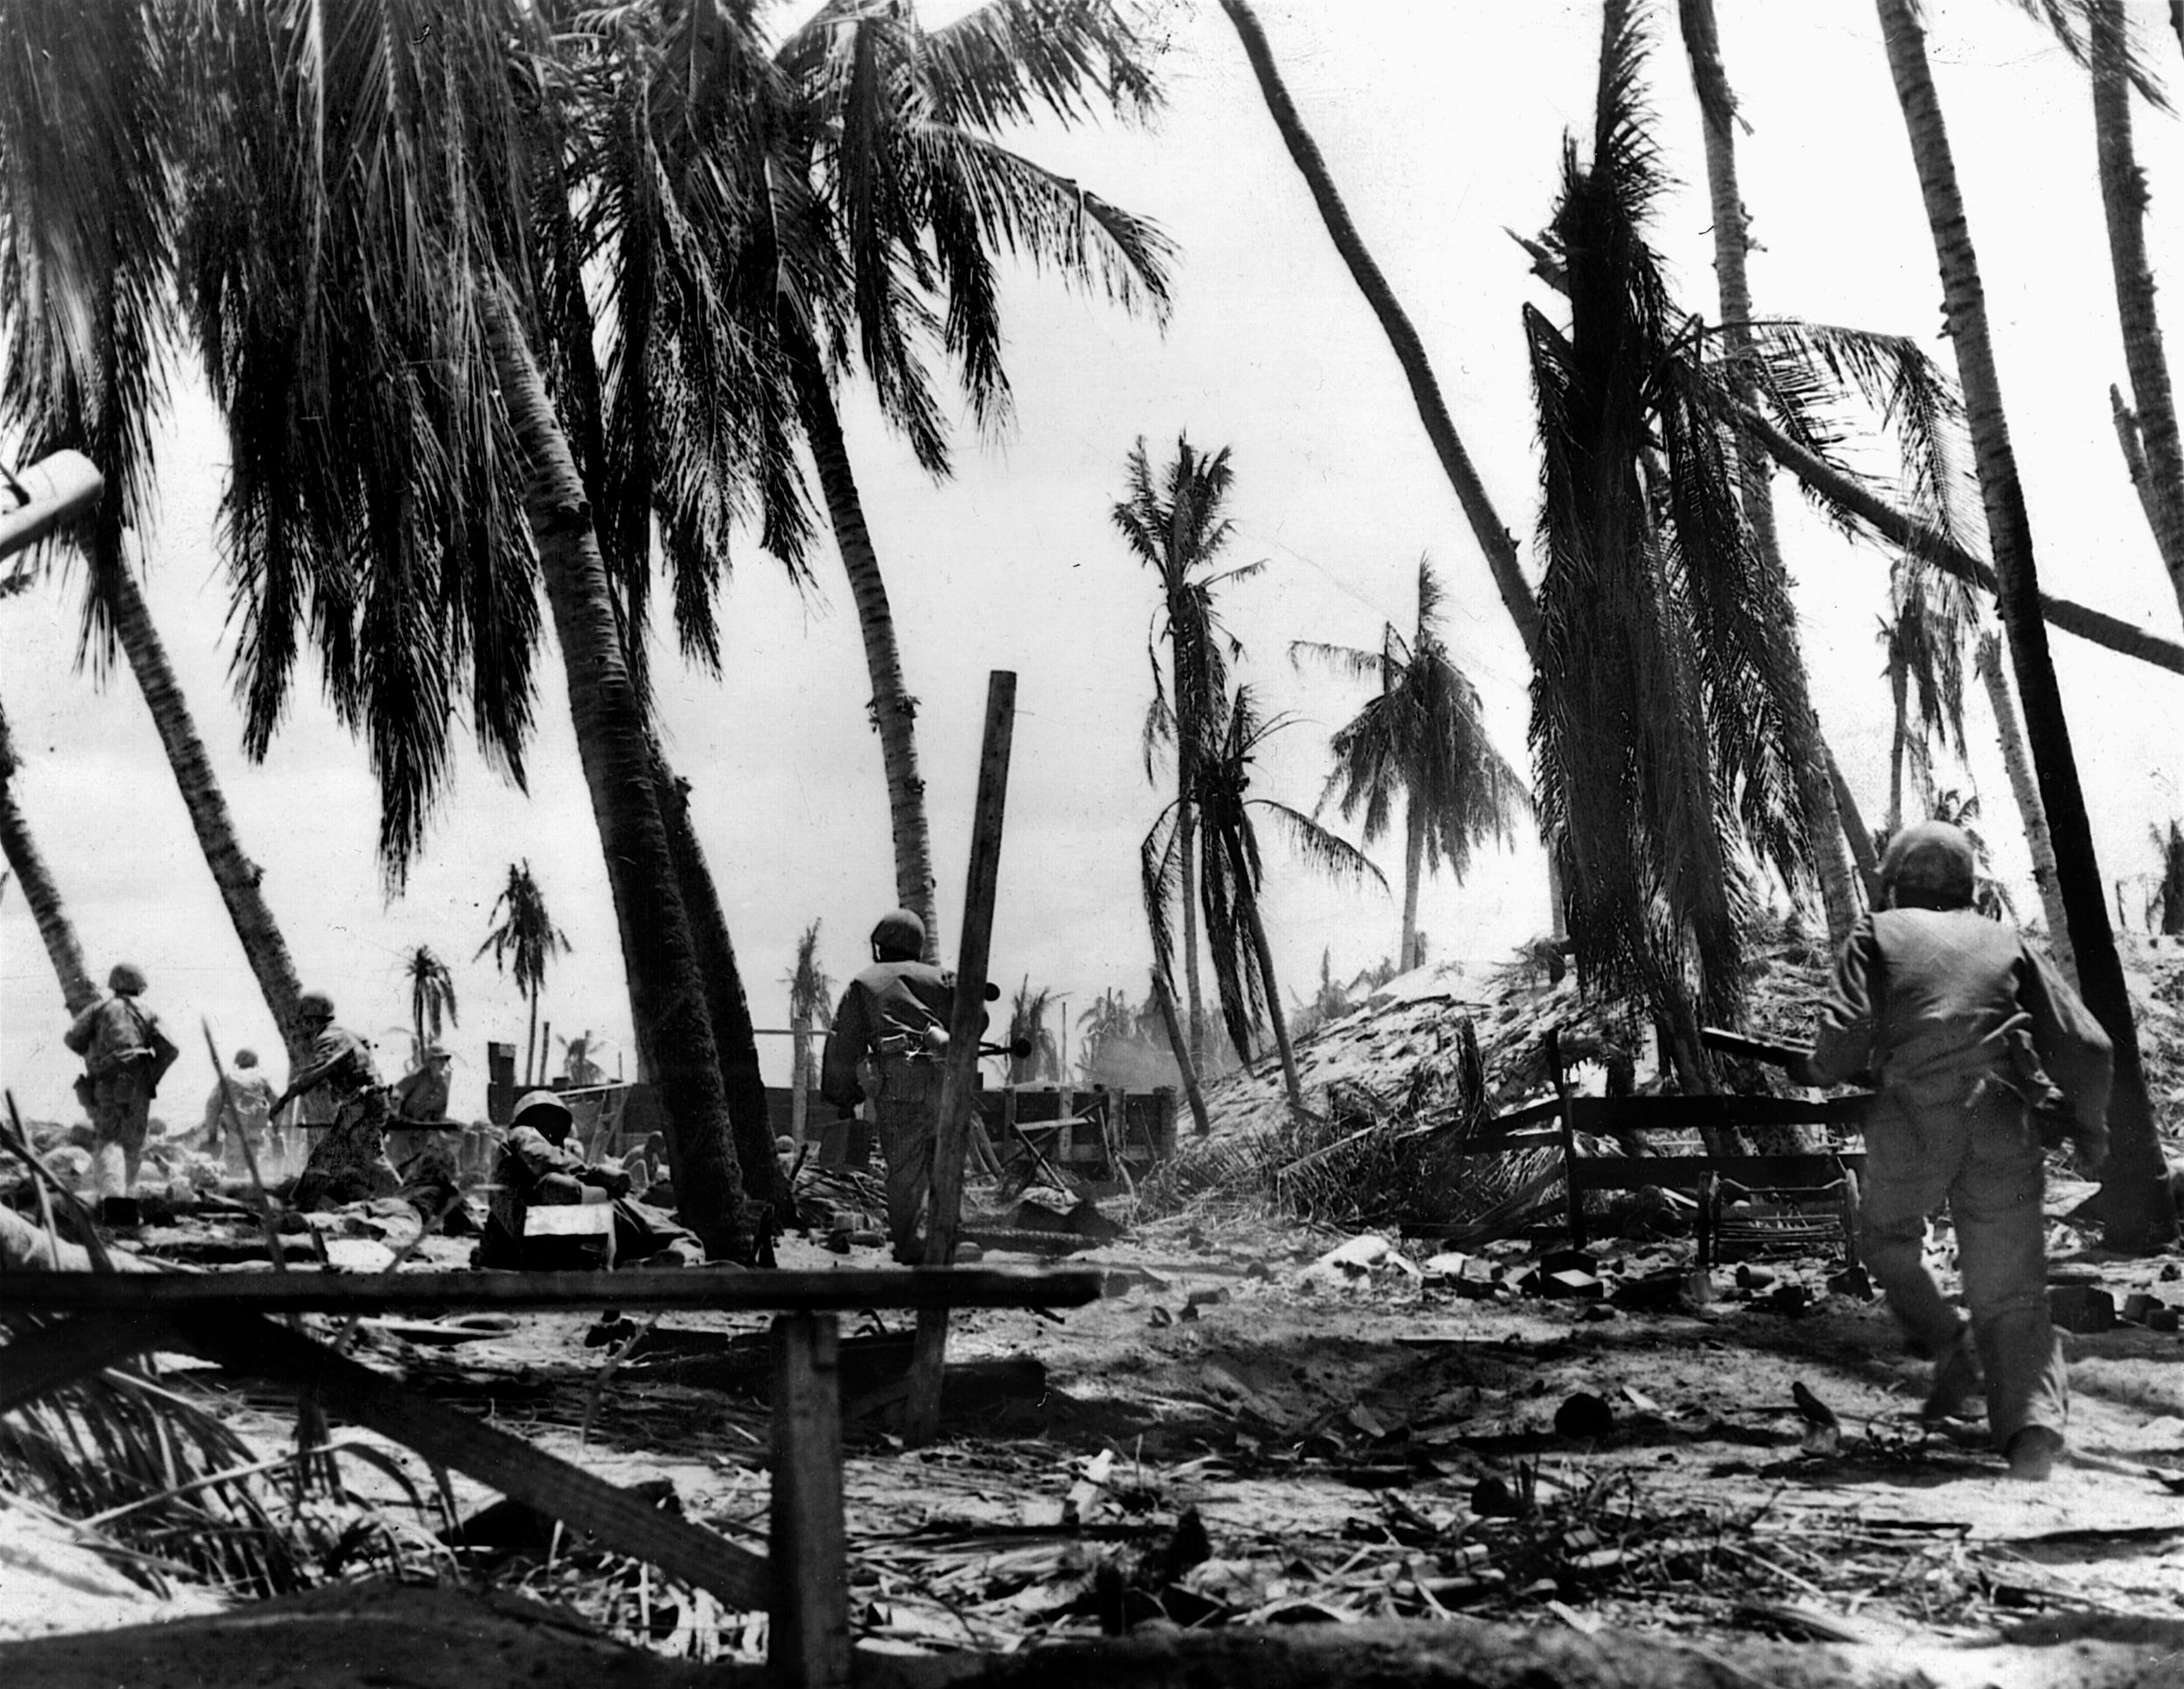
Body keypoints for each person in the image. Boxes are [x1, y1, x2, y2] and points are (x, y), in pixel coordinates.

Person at [1797, 820, 2111, 1482]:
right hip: (2002, 1117)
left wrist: (1821, 1068)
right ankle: (2030, 1430)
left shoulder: (1875, 934)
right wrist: (2091, 1129)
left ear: (1891, 882)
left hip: (1912, 1116)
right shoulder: (2006, 940)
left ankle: (1950, 1343)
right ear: (1970, 886)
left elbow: (1846, 1035)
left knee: (1887, 1242)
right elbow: (2090, 1047)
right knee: (2013, 1289)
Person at [820, 908, 957, 1263]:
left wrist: (844, 1099)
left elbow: (843, 1044)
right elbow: (977, 1020)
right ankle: (947, 1241)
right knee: (945, 1162)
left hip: (898, 1082)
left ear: (880, 945)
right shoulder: (944, 979)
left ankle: (912, 1246)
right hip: (946, 1080)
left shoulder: (865, 982)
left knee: (905, 1169)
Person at [478, 1090, 697, 1268]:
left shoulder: (503, 1169)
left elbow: (492, 1245)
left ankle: (643, 1262)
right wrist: (592, 1174)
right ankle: (686, 1260)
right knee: (681, 1235)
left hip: (540, 1242)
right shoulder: (525, 1134)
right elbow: (541, 1158)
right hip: (561, 1225)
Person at [275, 991, 401, 1209]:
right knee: (331, 1153)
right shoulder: (346, 1035)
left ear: (311, 1020)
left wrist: (284, 1099)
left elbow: (314, 1072)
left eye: (304, 1021)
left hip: (362, 1105)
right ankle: (300, 1203)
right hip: (365, 1103)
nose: (303, 1028)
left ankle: (405, 1199)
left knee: (362, 1158)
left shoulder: (330, 1039)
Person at [64, 963, 176, 1203]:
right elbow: (170, 1049)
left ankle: (112, 1199)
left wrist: (93, 1051)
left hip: (108, 1078)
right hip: (139, 1080)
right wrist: (151, 1076)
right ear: (139, 987)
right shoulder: (148, 1011)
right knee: (133, 1144)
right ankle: (127, 1199)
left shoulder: (99, 1008)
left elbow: (73, 1039)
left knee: (109, 1140)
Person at [202, 1048, 280, 1180]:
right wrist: (276, 1127)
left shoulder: (229, 1078)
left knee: (235, 1167)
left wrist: (212, 1132)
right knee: (256, 1162)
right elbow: (277, 1104)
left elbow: (212, 1105)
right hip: (257, 1129)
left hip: (235, 1129)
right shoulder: (263, 1079)